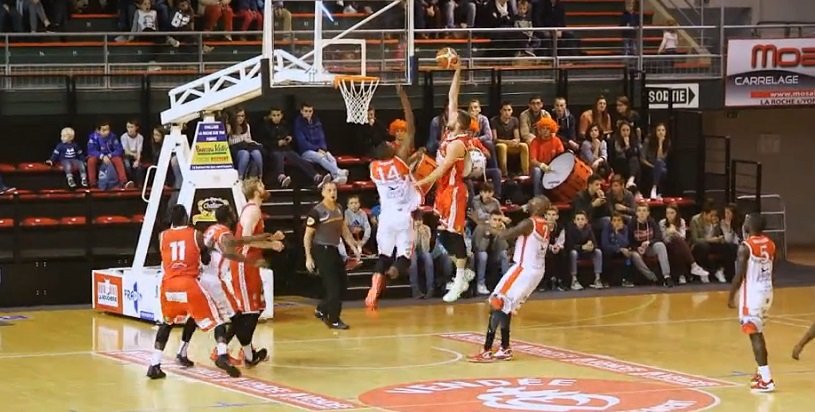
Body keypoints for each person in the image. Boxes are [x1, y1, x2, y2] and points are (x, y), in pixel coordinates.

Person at [148, 205, 240, 379]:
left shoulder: (162, 236)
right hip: (188, 283)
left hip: (168, 286)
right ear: (186, 217)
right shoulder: (195, 234)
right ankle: (222, 354)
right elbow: (205, 258)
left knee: (167, 324)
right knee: (218, 320)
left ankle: (154, 364)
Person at [415, 64, 477, 303]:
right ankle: (464, 270)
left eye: (453, 116)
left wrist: (421, 182)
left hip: (454, 191)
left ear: (459, 123)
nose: (448, 115)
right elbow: (452, 96)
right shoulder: (450, 133)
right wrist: (457, 70)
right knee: (442, 236)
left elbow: (442, 169)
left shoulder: (458, 143)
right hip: (444, 190)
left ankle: (460, 279)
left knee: (455, 235)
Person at [469, 196, 551, 362]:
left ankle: (486, 350)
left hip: (524, 268)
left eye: (533, 201)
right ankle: (505, 348)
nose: (529, 202)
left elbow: (505, 235)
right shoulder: (545, 224)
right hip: (535, 270)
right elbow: (523, 240)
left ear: (538, 207)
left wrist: (481, 223)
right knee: (505, 305)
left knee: (497, 302)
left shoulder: (529, 223)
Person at [202, 205, 283, 364]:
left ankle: (243, 350)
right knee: (241, 314)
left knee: (251, 310)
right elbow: (236, 247)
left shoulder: (213, 230)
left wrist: (268, 237)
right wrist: (256, 257)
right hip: (219, 278)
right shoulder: (226, 231)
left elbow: (242, 240)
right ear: (229, 217)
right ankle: (237, 352)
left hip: (207, 277)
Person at [365, 85, 422, 310]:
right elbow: (412, 127)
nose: (392, 143)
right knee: (405, 257)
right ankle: (394, 272)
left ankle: (375, 287)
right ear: (389, 152)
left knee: (383, 255)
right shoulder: (399, 161)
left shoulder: (373, 168)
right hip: (403, 215)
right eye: (389, 145)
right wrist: (403, 97)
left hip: (386, 217)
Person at [228, 178, 279, 366]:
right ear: (256, 191)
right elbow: (245, 240)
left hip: (250, 264)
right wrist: (271, 245)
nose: (265, 187)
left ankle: (246, 351)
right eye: (262, 185)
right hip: (244, 263)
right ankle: (230, 350)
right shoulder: (252, 210)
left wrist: (271, 239)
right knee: (248, 311)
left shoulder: (254, 210)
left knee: (255, 308)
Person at [727, 214, 776, 392]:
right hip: (767, 292)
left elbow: (739, 275)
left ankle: (767, 380)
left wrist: (731, 296)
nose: (744, 223)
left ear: (751, 225)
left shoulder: (745, 247)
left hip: (753, 295)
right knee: (758, 332)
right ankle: (761, 373)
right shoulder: (771, 244)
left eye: (747, 221)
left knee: (754, 335)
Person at [304, 182, 362, 329]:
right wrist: (308, 257)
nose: (332, 193)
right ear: (323, 193)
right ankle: (333, 319)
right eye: (329, 190)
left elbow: (344, 230)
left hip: (334, 249)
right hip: (321, 250)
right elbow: (307, 236)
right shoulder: (316, 212)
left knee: (343, 284)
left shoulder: (339, 208)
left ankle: (321, 309)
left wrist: (353, 246)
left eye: (334, 190)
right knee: (333, 287)